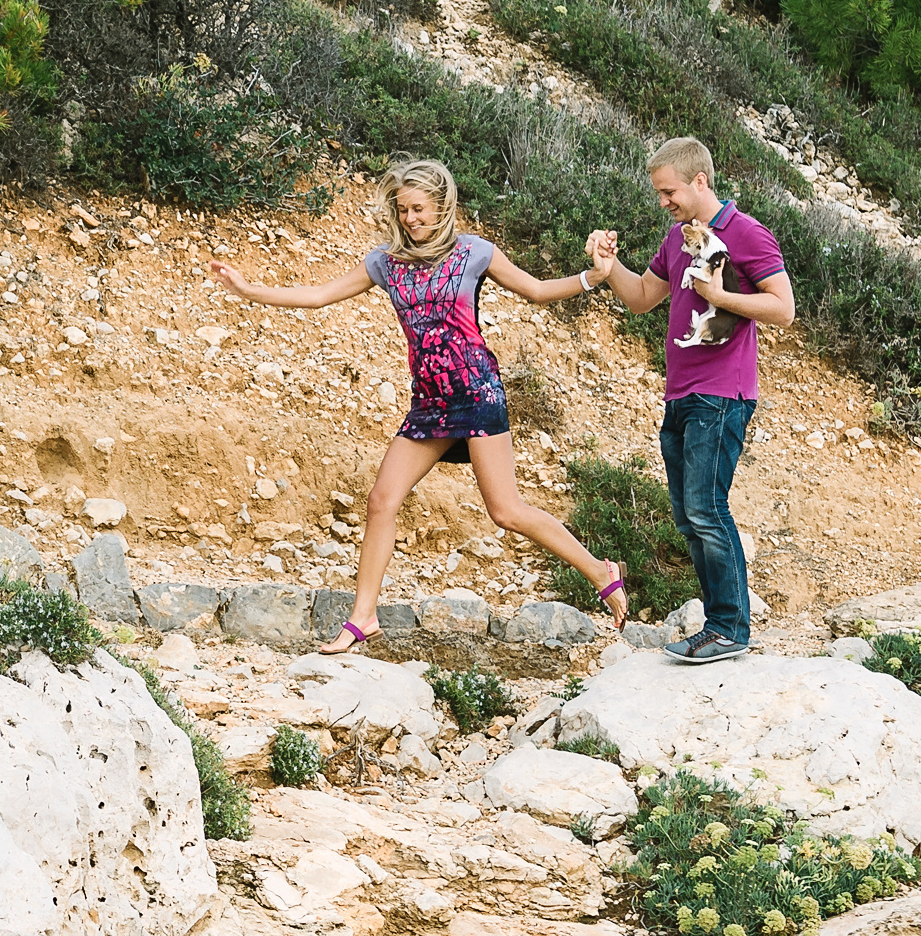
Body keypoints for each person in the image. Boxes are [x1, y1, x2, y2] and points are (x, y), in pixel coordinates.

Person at [209, 156, 628, 656]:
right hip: (429, 402)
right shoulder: (385, 263)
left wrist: (593, 278)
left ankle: (600, 570)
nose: (409, 219)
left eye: (419, 209)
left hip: (476, 393)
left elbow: (536, 291)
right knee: (382, 500)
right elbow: (320, 296)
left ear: (443, 206)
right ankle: (364, 616)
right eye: (402, 209)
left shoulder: (474, 252)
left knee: (506, 511)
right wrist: (248, 289)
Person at [587, 136, 796, 665]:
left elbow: (784, 308)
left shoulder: (745, 233)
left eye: (669, 191)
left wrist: (721, 297)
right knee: (687, 514)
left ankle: (728, 627)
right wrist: (609, 267)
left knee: (707, 507)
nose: (664, 202)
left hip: (721, 394)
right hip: (680, 394)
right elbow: (640, 299)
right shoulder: (678, 238)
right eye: (660, 193)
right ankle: (717, 626)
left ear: (698, 181)